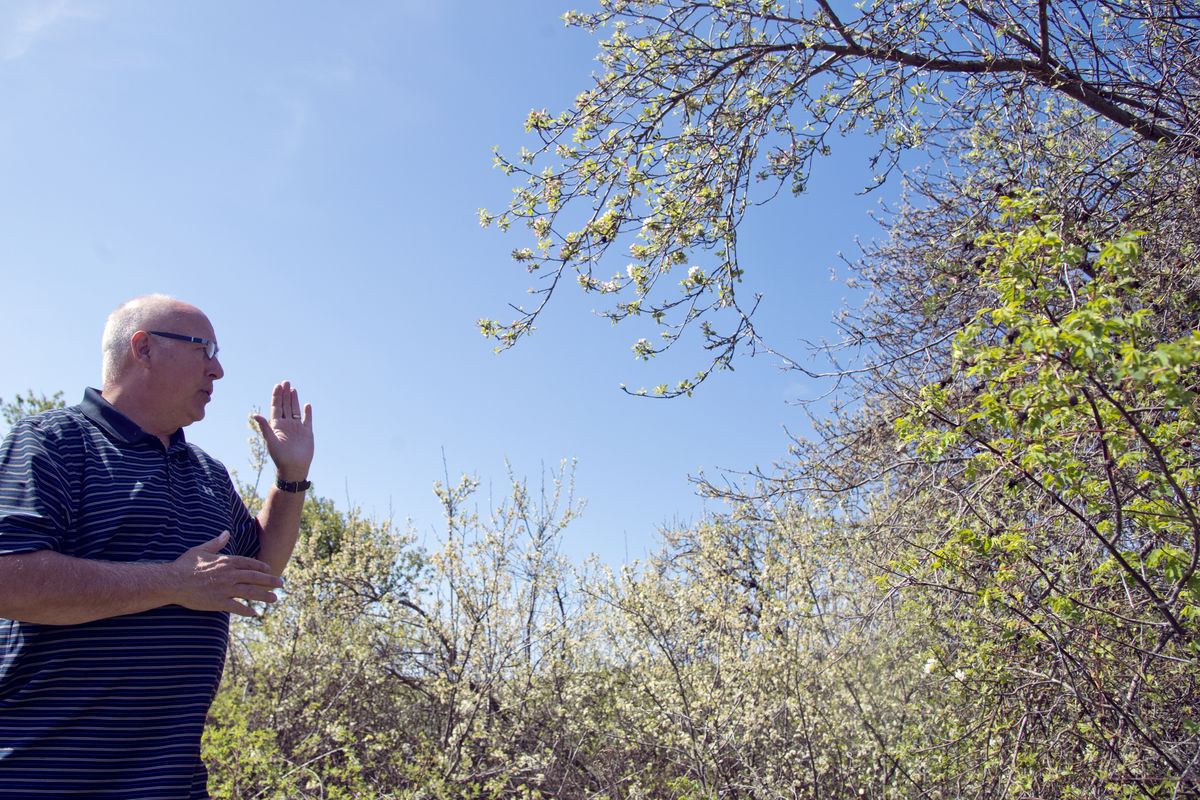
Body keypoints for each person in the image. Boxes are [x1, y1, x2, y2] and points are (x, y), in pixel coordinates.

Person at [0, 295, 315, 799]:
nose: (219, 370)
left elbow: (256, 571)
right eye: (204, 349)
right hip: (46, 777)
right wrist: (172, 583)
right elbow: (9, 580)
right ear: (142, 348)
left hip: (172, 783)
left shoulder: (208, 472)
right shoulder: (52, 441)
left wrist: (291, 476)